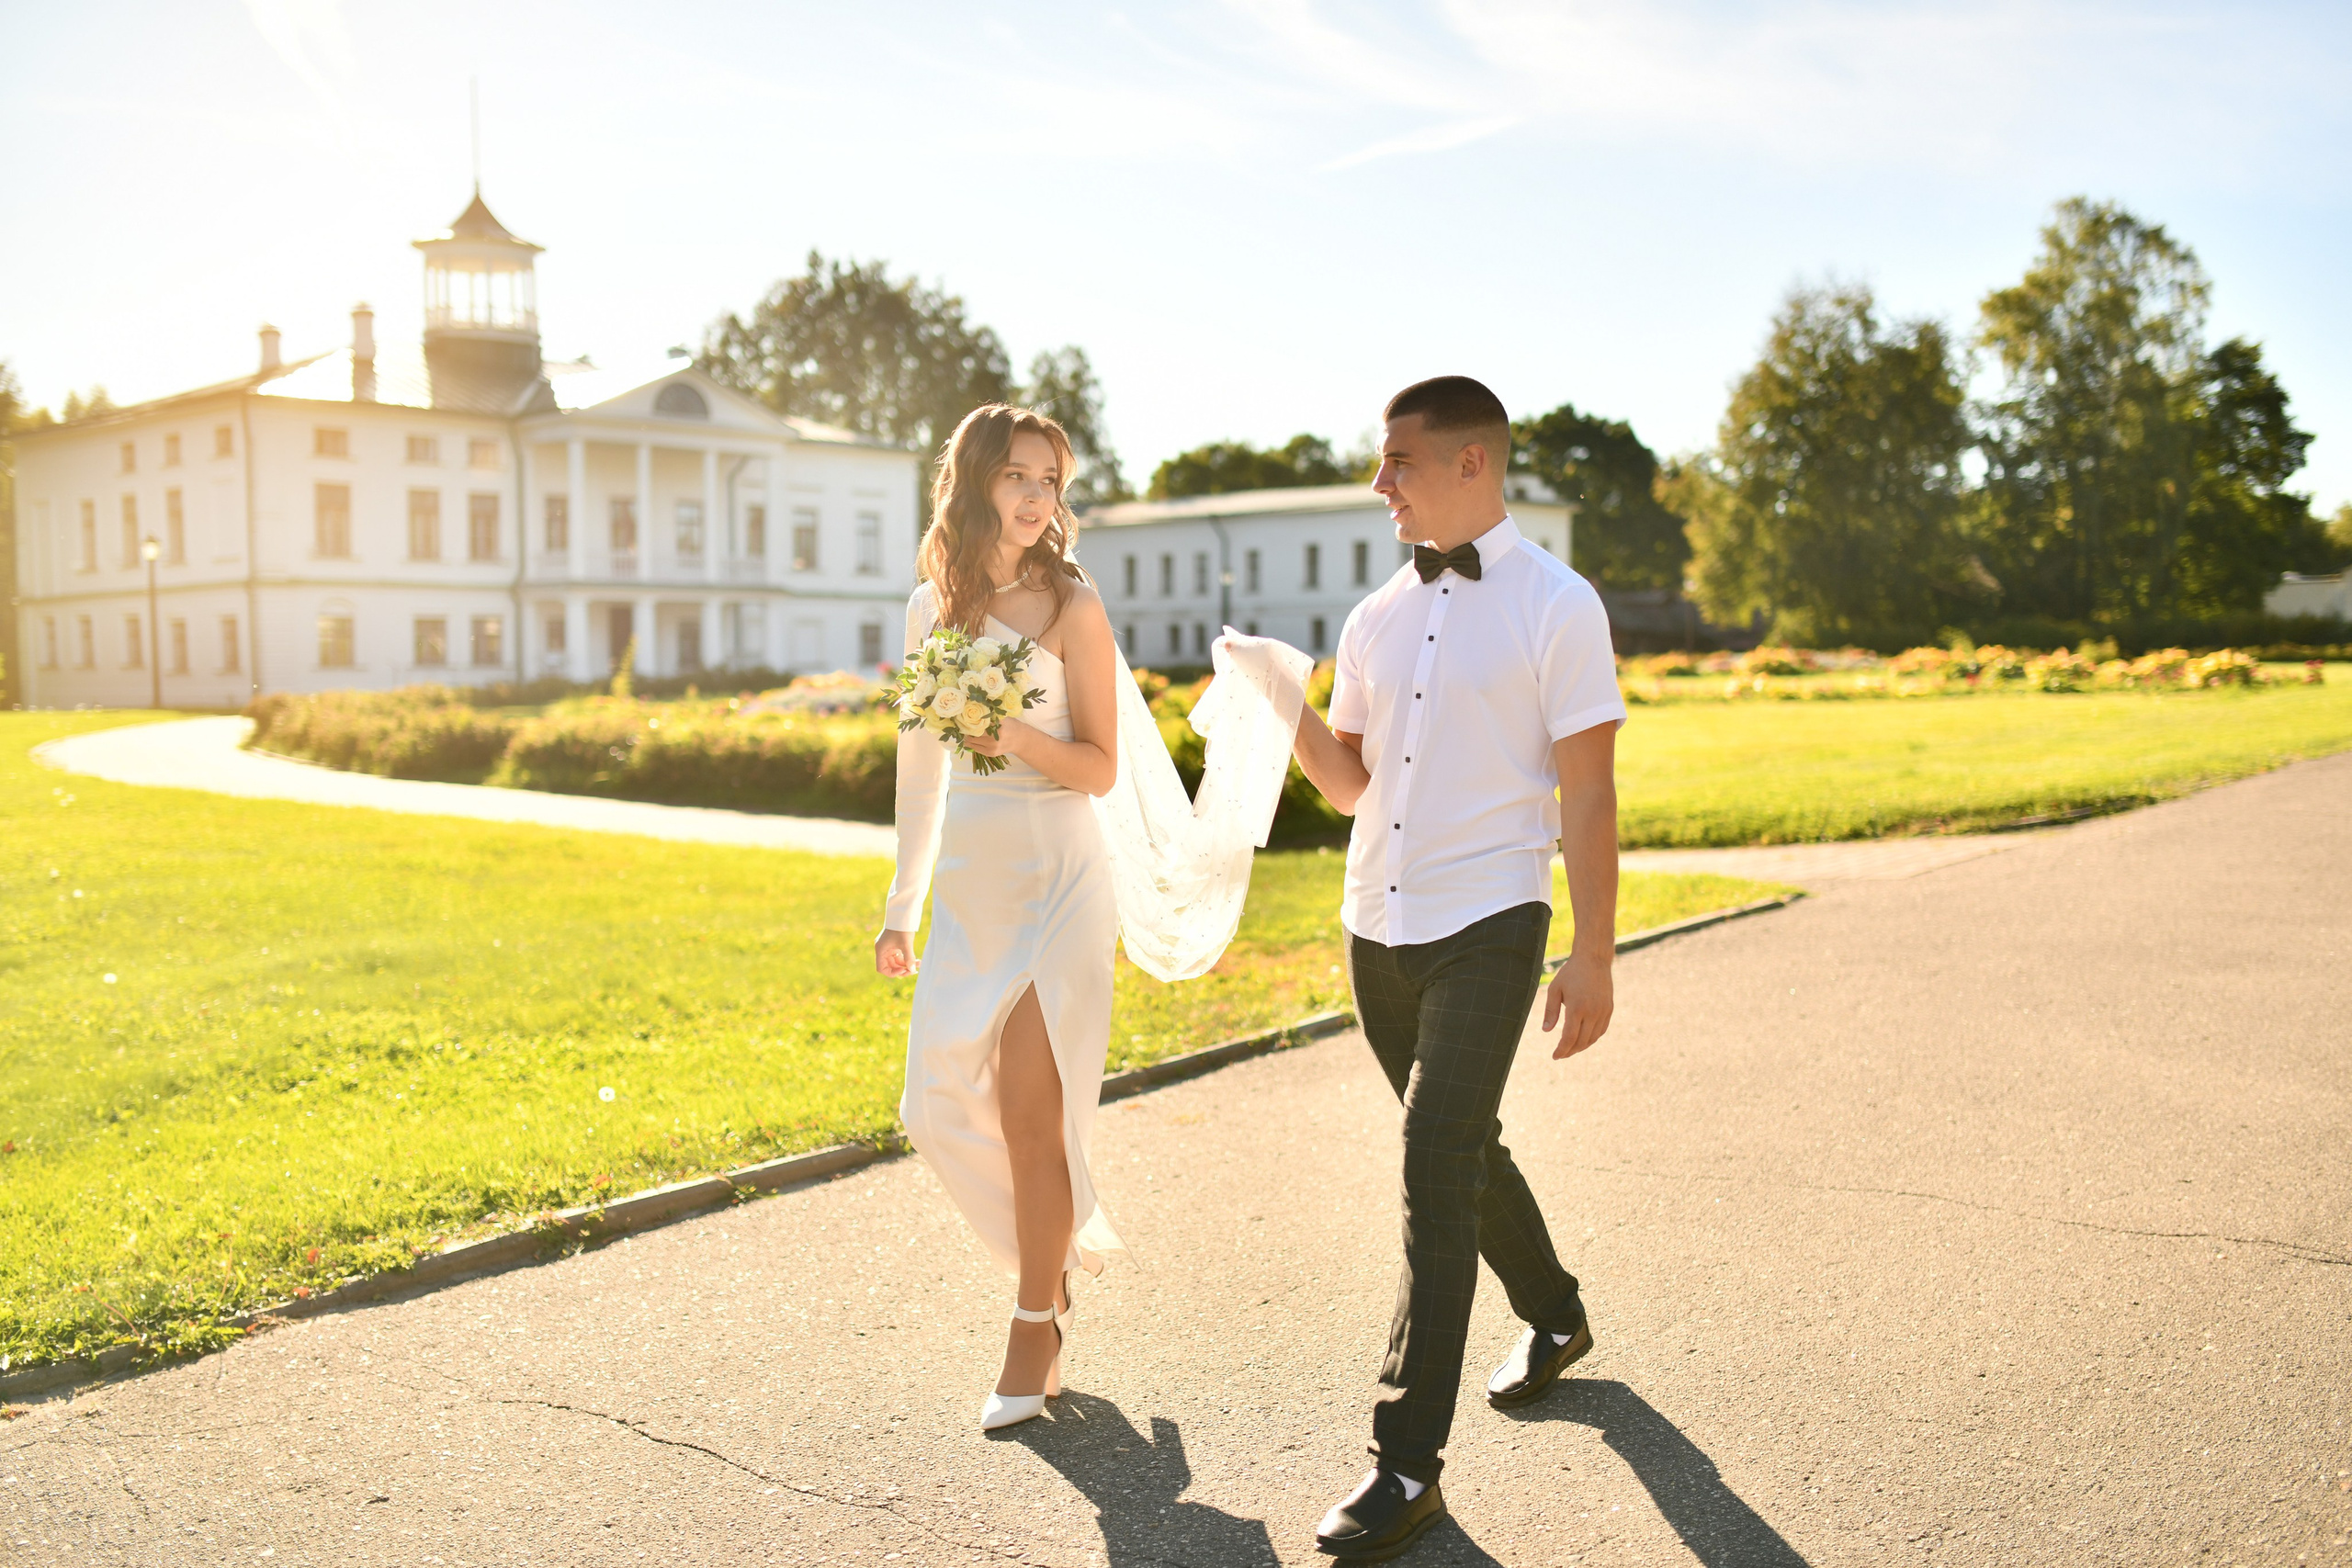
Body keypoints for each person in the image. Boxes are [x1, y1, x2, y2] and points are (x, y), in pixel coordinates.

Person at [878, 403, 1308, 1434]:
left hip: (1060, 878)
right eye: (1018, 476)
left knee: (1033, 1113)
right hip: (973, 883)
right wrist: (901, 908)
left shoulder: (1073, 604)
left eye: (1051, 481)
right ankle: (1052, 1257)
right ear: (975, 481)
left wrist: (1011, 734)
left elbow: (1102, 768)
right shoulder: (931, 606)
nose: (1037, 498)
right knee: (931, 1107)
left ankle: (1035, 1322)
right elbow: (920, 772)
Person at [1283, 376, 1626, 1559]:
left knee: (1432, 1166)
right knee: (1461, 1148)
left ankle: (1403, 1464)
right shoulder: (1374, 616)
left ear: (1471, 461)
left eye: (1399, 460)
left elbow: (1588, 792)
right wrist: (1284, 706)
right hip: (1375, 926)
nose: (1379, 481)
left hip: (1490, 920)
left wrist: (1593, 950)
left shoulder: (1557, 604)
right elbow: (1351, 786)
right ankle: (1557, 1314)